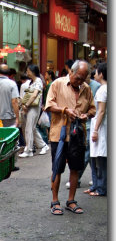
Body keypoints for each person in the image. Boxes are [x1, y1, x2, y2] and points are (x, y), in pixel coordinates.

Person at [44, 60, 96, 215]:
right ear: (71, 72)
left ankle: (71, 201)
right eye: (78, 77)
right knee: (57, 169)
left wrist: (86, 115)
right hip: (59, 135)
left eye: (83, 78)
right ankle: (55, 201)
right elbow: (48, 105)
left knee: (75, 168)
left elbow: (93, 109)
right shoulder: (57, 84)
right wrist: (65, 110)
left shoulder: (86, 89)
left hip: (78, 135)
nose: (80, 81)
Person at [65, 70, 100, 189]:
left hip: (90, 125)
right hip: (79, 124)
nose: (84, 79)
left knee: (87, 153)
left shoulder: (95, 87)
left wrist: (88, 115)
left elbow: (94, 109)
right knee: (90, 154)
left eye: (87, 76)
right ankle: (97, 181)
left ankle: (79, 178)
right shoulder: (71, 85)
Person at [86, 62, 107, 196]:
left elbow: (101, 111)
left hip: (100, 128)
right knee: (96, 158)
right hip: (100, 127)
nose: (94, 74)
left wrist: (95, 131)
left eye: (96, 72)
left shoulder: (103, 89)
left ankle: (101, 188)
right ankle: (96, 186)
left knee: (101, 160)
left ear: (101, 74)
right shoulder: (103, 88)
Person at [19, 64, 49, 158]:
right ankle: (43, 145)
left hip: (33, 108)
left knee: (29, 128)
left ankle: (29, 150)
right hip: (29, 108)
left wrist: (26, 104)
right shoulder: (31, 82)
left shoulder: (38, 81)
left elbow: (35, 94)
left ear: (33, 71)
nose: (27, 72)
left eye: (28, 70)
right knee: (32, 128)